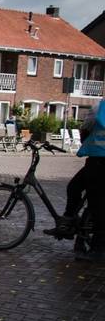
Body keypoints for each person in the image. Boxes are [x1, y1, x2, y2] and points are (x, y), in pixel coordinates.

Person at [43, 100, 105, 263]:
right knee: (76, 188)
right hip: (97, 162)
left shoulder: (100, 108)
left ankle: (98, 249)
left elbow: (85, 129)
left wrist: (87, 142)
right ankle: (70, 222)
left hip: (98, 162)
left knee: (95, 205)